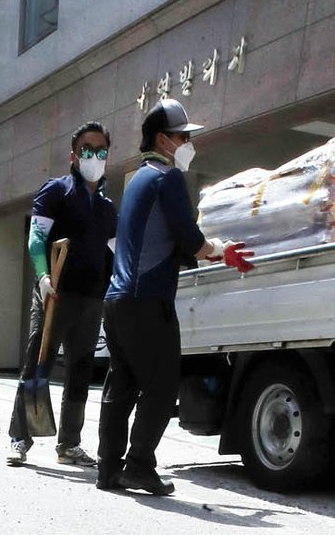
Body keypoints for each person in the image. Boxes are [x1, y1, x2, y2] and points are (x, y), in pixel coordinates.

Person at [97, 98, 252, 497]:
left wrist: (203, 251)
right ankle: (138, 466)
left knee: (121, 386)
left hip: (117, 300)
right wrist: (220, 250)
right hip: (147, 300)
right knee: (163, 387)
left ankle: (108, 468)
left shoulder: (137, 181)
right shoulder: (167, 179)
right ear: (163, 140)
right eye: (183, 137)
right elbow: (189, 238)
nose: (188, 143)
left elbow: (163, 241)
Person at [7, 122, 117, 470]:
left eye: (100, 151)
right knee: (36, 363)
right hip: (54, 294)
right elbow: (37, 238)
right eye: (87, 150)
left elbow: (117, 253)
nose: (94, 156)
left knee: (80, 372)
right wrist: (42, 277)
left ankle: (69, 444)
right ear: (73, 155)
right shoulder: (56, 191)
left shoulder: (107, 209)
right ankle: (20, 438)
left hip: (91, 300)